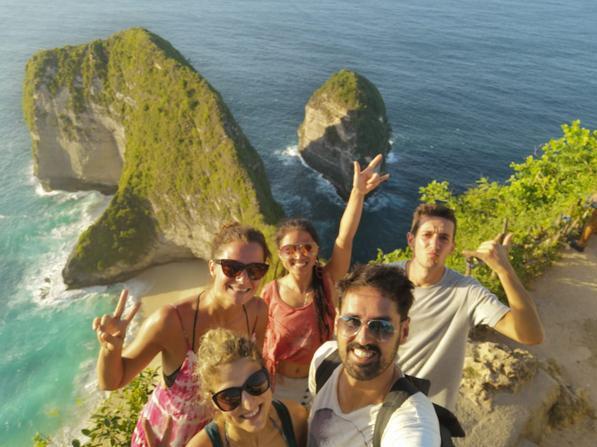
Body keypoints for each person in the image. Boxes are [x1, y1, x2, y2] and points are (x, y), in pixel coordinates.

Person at [92, 223, 271, 447]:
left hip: (220, 436)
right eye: (232, 268)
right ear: (212, 268)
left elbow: (256, 371)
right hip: (168, 439)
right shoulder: (172, 320)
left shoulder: (257, 312)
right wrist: (110, 350)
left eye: (255, 270)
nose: (243, 279)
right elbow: (111, 382)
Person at [389, 204, 544, 411]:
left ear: (452, 247)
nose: (434, 244)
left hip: (427, 414)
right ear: (411, 240)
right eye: (427, 235)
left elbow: (530, 335)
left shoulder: (467, 292)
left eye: (444, 238)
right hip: (376, 400)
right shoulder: (384, 279)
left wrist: (504, 270)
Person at [262, 154, 389, 406]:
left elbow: (344, 238)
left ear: (316, 250)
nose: (299, 255)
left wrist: (357, 193)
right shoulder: (270, 292)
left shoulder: (328, 281)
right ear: (280, 254)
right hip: (276, 385)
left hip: (318, 383)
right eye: (290, 249)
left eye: (307, 247)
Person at [307, 264, 440, 447]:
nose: (362, 339)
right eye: (351, 321)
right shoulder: (324, 360)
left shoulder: (412, 422)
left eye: (381, 326)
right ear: (337, 323)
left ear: (404, 331)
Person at [184, 328, 308, 447]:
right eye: (230, 397)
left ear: (267, 374)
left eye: (255, 383)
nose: (248, 404)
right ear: (213, 402)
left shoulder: (296, 418)